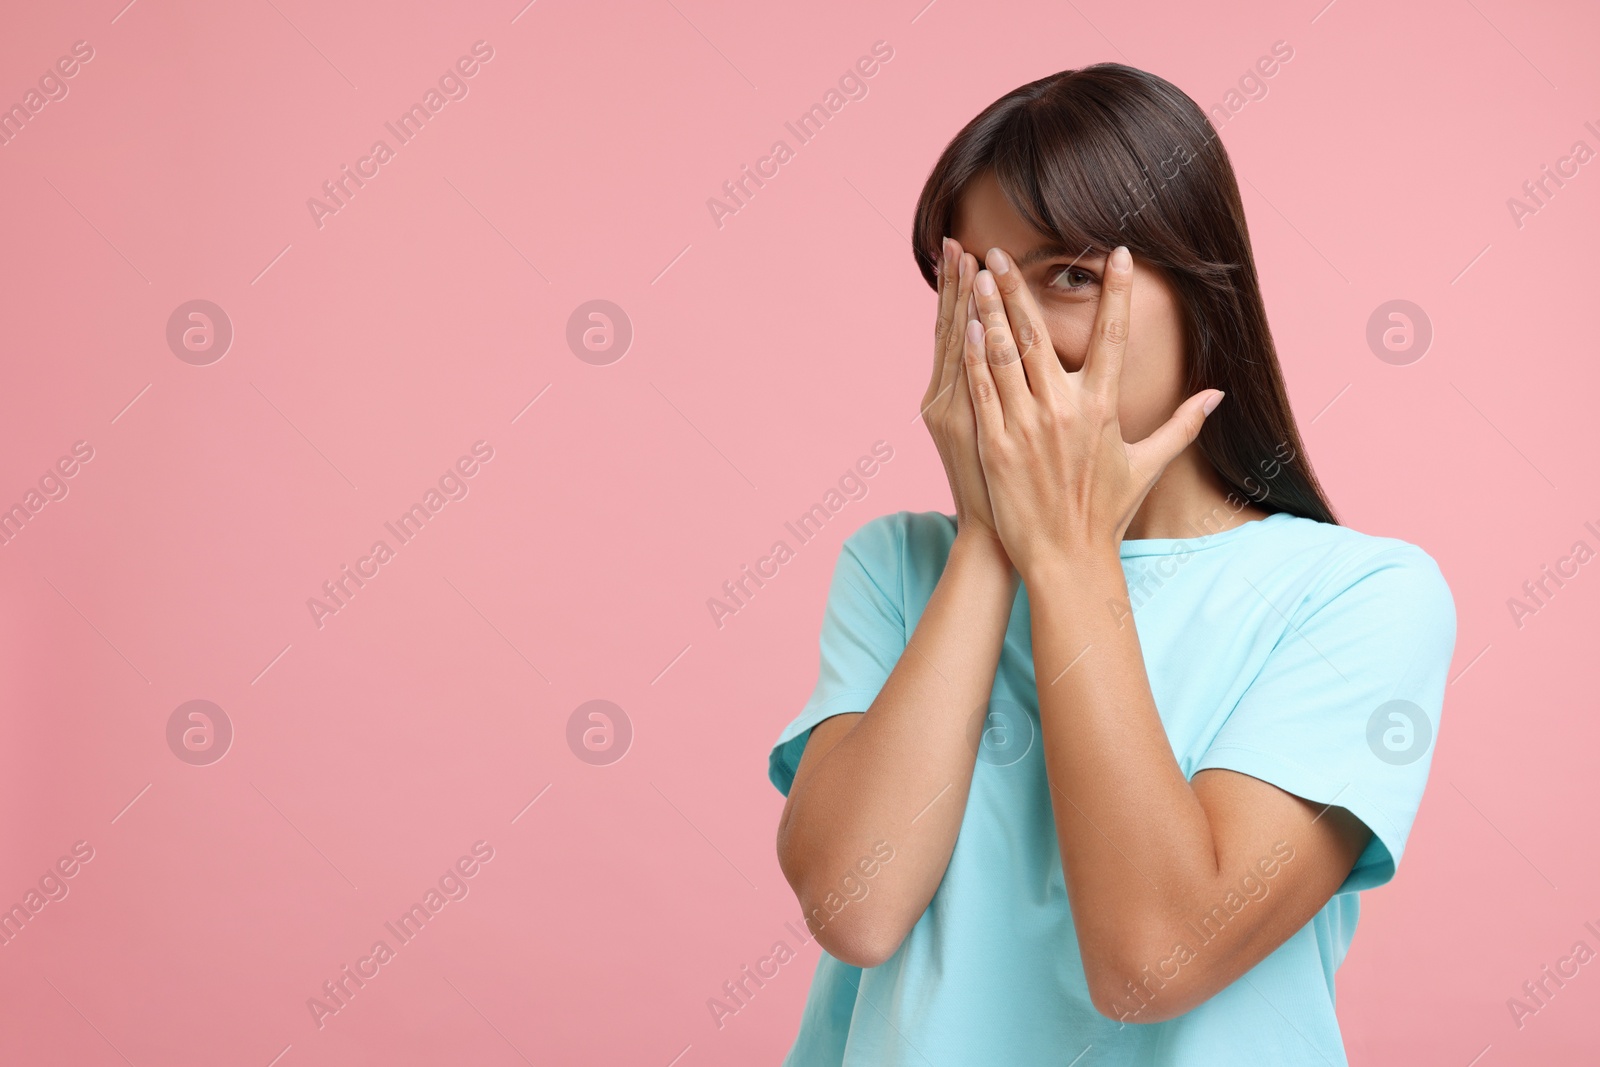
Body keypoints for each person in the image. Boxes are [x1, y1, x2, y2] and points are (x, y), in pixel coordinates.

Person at [768, 62, 1456, 1066]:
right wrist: (987, 544)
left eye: (1071, 276)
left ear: (1201, 293)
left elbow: (1152, 959)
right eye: (980, 290)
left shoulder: (1359, 598)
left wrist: (1066, 548)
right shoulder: (897, 567)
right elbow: (855, 906)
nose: (1019, 336)